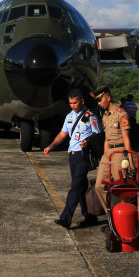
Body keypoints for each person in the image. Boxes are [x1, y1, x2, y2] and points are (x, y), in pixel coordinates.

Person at [43, 89, 102, 229]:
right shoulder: (69, 116)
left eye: (75, 103)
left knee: (75, 187)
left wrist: (88, 141)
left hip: (83, 155)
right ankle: (89, 216)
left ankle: (65, 218)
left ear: (82, 101)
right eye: (70, 103)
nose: (72, 105)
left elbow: (98, 135)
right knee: (81, 186)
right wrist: (51, 146)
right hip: (73, 156)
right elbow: (63, 134)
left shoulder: (91, 117)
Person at [85, 88, 132, 220]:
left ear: (108, 98)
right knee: (99, 185)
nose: (99, 103)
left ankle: (124, 217)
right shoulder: (105, 115)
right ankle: (112, 215)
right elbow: (106, 139)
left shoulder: (121, 114)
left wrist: (130, 159)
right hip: (108, 153)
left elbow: (126, 138)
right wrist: (104, 157)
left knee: (120, 187)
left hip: (119, 152)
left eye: (101, 99)